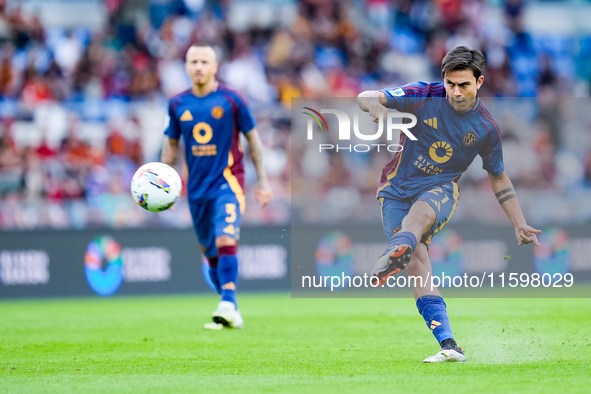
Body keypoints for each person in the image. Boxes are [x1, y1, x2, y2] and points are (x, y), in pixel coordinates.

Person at [357, 46, 541, 362]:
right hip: (394, 190)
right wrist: (374, 107)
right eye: (450, 84)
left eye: (463, 85)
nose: (455, 92)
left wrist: (518, 222)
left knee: (419, 216)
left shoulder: (486, 128)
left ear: (479, 82)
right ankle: (449, 345)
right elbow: (365, 95)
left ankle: (395, 252)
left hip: (441, 189)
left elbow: (498, 177)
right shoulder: (423, 94)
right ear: (443, 79)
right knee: (418, 263)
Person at [161, 43, 272, 330]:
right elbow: (171, 146)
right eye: (193, 61)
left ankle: (228, 304)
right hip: (196, 190)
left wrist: (263, 181)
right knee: (211, 255)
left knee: (225, 238)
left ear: (215, 67)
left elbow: (254, 142)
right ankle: (229, 307)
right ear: (186, 66)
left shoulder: (233, 99)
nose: (198, 66)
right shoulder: (177, 104)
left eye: (204, 62)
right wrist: (166, 186)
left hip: (228, 183)